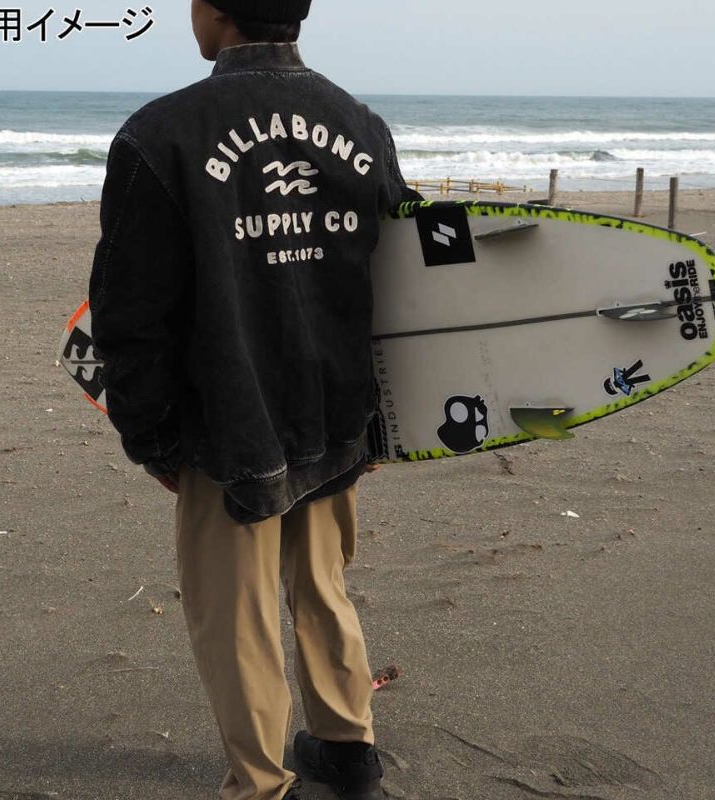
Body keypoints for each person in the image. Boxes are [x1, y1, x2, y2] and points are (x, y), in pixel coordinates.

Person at [88, 2, 420, 799]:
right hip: (335, 412)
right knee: (324, 585)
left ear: (214, 11)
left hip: (225, 423)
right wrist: (381, 424)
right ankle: (347, 751)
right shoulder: (359, 123)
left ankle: (263, 785)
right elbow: (403, 284)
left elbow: (128, 313)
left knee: (235, 616)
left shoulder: (161, 135)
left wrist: (150, 440)